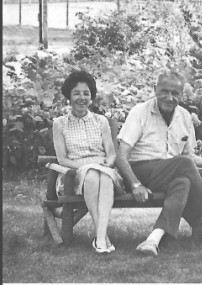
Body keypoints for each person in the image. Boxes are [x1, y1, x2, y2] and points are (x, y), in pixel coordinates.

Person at [116, 70, 202, 256]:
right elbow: (121, 156)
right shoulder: (140, 112)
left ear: (181, 94)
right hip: (140, 171)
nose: (170, 97)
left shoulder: (184, 116)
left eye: (175, 93)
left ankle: (152, 239)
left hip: (170, 172)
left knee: (183, 182)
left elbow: (190, 158)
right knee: (183, 165)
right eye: (164, 91)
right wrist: (135, 184)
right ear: (155, 89)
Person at [53, 70, 124, 254]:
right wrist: (90, 165)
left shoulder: (101, 121)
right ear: (69, 96)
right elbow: (62, 159)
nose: (81, 98)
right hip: (73, 175)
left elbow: (111, 154)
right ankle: (102, 237)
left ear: (91, 96)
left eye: (86, 93)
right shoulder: (60, 123)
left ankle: (100, 238)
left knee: (103, 176)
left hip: (104, 172)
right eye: (76, 93)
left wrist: (108, 163)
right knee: (92, 174)